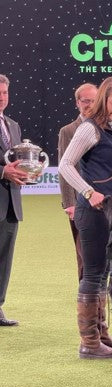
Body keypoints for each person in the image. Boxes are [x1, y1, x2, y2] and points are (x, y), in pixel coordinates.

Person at [58, 76, 112, 359]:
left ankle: (101, 333)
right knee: (92, 274)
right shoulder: (89, 129)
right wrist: (88, 192)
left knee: (103, 273)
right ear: (104, 98)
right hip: (91, 214)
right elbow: (64, 165)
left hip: (109, 214)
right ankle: (89, 342)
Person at [58, 83, 98, 281]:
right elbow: (64, 169)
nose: (90, 105)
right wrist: (70, 204)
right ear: (77, 103)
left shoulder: (106, 128)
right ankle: (86, 295)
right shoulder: (68, 131)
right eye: (85, 101)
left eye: (94, 100)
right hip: (80, 203)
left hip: (102, 200)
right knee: (84, 254)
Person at [0, 74, 28, 327]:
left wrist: (27, 174)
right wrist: (2, 171)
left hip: (11, 204)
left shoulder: (14, 125)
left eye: (5, 93)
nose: (1, 97)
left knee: (4, 259)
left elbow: (18, 161)